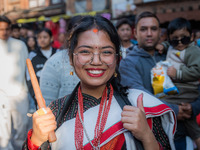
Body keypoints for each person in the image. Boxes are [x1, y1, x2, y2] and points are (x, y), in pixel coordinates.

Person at [22, 15, 176, 150]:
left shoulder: (138, 106)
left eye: (106, 52)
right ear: (71, 58)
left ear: (116, 59)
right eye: (85, 51)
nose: (96, 61)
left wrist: (146, 135)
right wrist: (36, 140)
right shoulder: (56, 111)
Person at [119, 11, 200, 149]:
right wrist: (174, 110)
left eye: (154, 29)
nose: (149, 33)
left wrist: (193, 108)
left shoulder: (172, 54)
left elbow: (194, 83)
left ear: (160, 32)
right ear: (136, 33)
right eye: (144, 29)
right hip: (153, 139)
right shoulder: (128, 63)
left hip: (183, 134)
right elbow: (139, 96)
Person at [158, 17, 200, 149]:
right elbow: (167, 45)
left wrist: (178, 73)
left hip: (187, 93)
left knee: (192, 126)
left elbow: (197, 70)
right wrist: (162, 46)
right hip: (176, 92)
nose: (180, 42)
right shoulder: (172, 46)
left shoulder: (193, 51)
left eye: (184, 38)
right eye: (175, 39)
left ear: (192, 36)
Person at [0, 15, 29, 150]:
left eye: (6, 29)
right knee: (3, 134)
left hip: (19, 94)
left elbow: (27, 69)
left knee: (21, 128)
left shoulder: (20, 45)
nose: (4, 32)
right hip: (1, 95)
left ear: (10, 29)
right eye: (1, 29)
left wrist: (26, 90)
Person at [40, 16, 82, 106]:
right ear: (69, 36)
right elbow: (46, 104)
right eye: (78, 34)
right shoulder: (55, 63)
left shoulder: (99, 61)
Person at [26, 28, 57, 109]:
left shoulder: (58, 53)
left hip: (58, 96)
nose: (42, 40)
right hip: (40, 98)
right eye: (39, 37)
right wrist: (35, 95)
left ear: (51, 38)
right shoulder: (33, 55)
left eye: (45, 37)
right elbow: (29, 77)